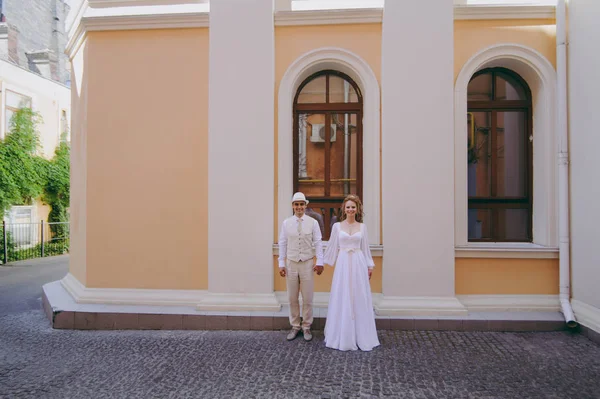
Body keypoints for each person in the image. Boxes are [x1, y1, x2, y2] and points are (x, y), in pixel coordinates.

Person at [323, 194, 380, 351]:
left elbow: (365, 249)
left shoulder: (362, 227)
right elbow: (332, 246)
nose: (350, 209)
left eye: (353, 207)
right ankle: (342, 333)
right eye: (348, 207)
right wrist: (322, 262)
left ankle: (360, 334)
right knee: (342, 294)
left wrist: (370, 266)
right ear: (344, 209)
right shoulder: (337, 227)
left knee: (358, 295)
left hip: (358, 262)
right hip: (342, 263)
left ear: (357, 209)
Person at [278, 192, 324, 342]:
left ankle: (306, 326)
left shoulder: (313, 222)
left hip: (307, 263)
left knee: (308, 297)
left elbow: (318, 242)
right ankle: (295, 325)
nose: (299, 207)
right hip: (291, 263)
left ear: (305, 205)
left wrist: (320, 262)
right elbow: (283, 243)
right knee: (292, 297)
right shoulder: (286, 223)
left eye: (301, 204)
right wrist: (281, 263)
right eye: (296, 204)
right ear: (293, 206)